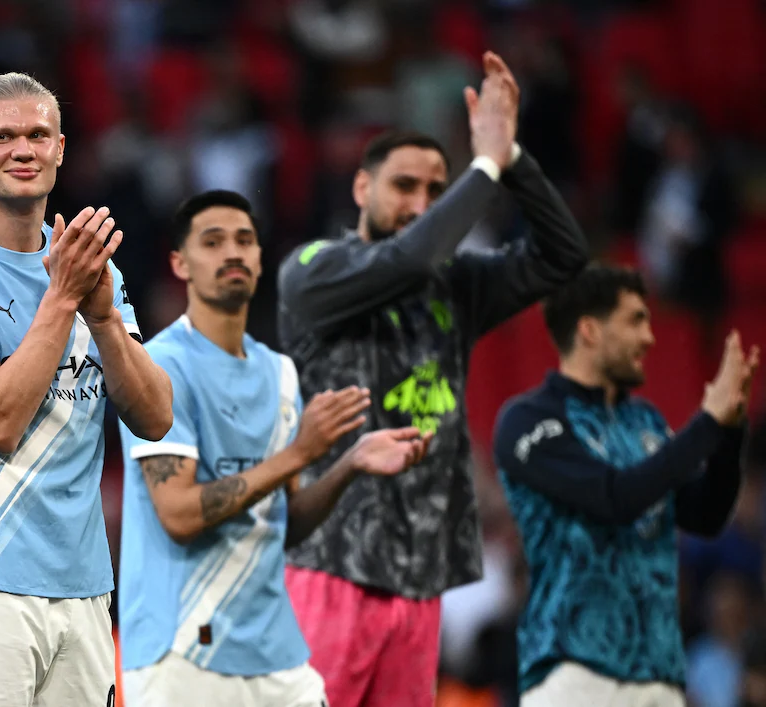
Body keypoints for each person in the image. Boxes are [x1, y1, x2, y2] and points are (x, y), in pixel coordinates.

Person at [276, 52, 590, 707]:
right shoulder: (315, 269)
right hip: (334, 565)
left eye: (434, 189)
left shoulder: (455, 286)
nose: (421, 204)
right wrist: (483, 168)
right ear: (362, 189)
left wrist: (513, 159)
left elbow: (564, 254)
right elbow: (411, 254)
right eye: (404, 186)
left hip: (423, 574)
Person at [0, 72, 173, 707]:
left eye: (38, 134)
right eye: (2, 136)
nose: (22, 149)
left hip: (86, 586)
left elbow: (155, 417)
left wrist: (100, 317)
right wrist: (65, 297)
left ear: (61, 148)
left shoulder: (92, 268)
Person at [118, 190, 432, 707]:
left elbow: (286, 521)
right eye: (213, 242)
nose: (233, 253)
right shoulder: (159, 369)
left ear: (262, 258)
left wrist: (350, 464)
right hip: (182, 648)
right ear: (180, 263)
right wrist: (299, 454)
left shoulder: (280, 373)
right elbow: (178, 513)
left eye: (245, 240)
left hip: (275, 651)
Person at [493, 264, 757, 706]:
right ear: (590, 330)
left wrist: (728, 431)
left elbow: (706, 515)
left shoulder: (646, 423)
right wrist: (706, 424)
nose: (650, 338)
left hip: (660, 676)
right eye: (635, 320)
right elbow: (613, 498)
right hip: (574, 673)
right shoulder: (531, 420)